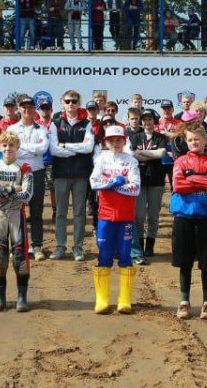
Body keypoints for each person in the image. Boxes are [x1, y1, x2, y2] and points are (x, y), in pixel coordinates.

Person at [170, 124, 207, 320]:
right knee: (185, 262)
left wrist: (192, 178)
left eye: (197, 139)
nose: (194, 142)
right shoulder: (181, 161)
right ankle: (184, 301)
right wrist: (203, 179)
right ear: (186, 141)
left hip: (206, 217)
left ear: (205, 140)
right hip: (184, 216)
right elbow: (178, 185)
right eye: (190, 139)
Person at [89, 125, 141, 314]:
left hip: (125, 215)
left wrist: (111, 186)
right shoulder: (101, 159)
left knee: (126, 255)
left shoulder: (131, 161)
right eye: (111, 140)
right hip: (105, 215)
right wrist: (114, 183)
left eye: (119, 140)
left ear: (124, 141)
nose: (115, 143)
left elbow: (135, 188)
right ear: (106, 142)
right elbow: (94, 182)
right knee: (104, 255)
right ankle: (102, 300)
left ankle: (124, 300)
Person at [0, 130, 34, 312]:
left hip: (17, 215)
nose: (7, 149)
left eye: (11, 145)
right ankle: (0, 299)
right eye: (4, 145)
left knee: (20, 258)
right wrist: (14, 189)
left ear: (17, 147)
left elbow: (27, 195)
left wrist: (3, 188)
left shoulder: (25, 168)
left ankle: (22, 298)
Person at [48, 90, 95, 261]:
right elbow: (53, 149)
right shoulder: (55, 123)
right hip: (61, 174)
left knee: (79, 213)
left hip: (81, 174)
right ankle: (60, 247)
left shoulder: (86, 123)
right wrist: (77, 149)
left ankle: (78, 248)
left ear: (79, 103)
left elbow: (88, 148)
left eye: (74, 101)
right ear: (62, 103)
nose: (71, 104)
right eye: (67, 101)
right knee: (60, 213)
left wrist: (65, 146)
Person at [8, 95, 49, 260]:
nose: (27, 110)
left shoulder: (42, 129)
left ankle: (37, 246)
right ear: (19, 109)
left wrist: (22, 147)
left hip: (36, 172)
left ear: (34, 110)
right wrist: (32, 149)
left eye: (30, 107)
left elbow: (43, 148)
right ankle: (18, 246)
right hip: (17, 173)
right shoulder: (11, 129)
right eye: (24, 107)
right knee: (16, 211)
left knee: (37, 211)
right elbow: (11, 149)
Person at [131, 109, 168, 264]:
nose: (147, 122)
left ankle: (150, 245)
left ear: (155, 121)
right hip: (139, 180)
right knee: (139, 215)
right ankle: (139, 244)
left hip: (157, 179)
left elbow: (161, 154)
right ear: (141, 121)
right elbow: (133, 154)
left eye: (150, 119)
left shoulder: (161, 137)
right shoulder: (134, 137)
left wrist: (143, 153)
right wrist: (151, 153)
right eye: (144, 119)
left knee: (153, 214)